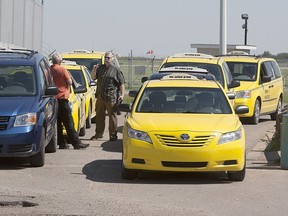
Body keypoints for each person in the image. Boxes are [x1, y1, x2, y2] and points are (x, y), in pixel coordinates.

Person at [50, 52, 90, 150]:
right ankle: (76, 143)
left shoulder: (49, 70)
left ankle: (62, 142)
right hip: (62, 98)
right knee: (69, 122)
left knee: (58, 123)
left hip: (53, 99)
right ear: (60, 61)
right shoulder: (62, 69)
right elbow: (69, 82)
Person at [90, 51, 125, 141]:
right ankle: (98, 134)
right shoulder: (100, 68)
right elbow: (93, 78)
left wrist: (122, 94)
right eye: (105, 57)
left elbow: (121, 83)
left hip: (111, 97)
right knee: (99, 116)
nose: (106, 59)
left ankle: (113, 135)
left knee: (112, 117)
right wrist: (94, 69)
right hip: (100, 96)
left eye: (108, 58)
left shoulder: (116, 70)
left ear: (112, 59)